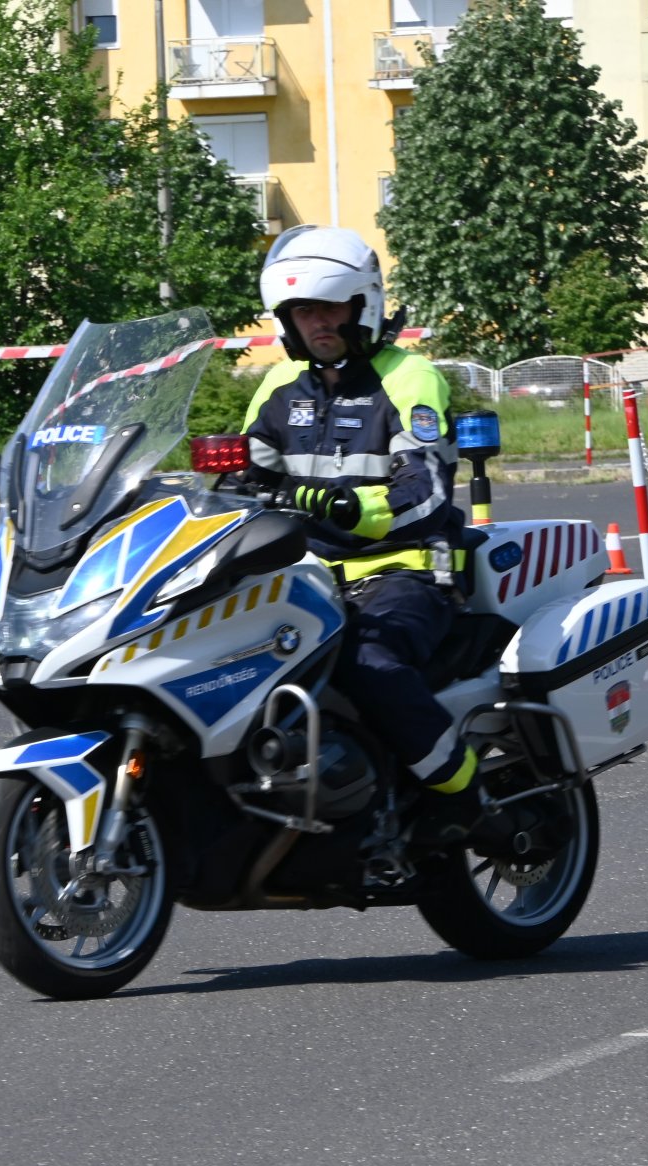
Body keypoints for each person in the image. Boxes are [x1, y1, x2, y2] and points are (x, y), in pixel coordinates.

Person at [237, 226, 479, 831]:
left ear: (362, 306)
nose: (316, 321)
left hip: (403, 571)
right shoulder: (276, 388)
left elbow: (425, 493)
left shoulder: (409, 378)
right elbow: (243, 482)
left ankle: (463, 796)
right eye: (302, 310)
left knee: (366, 661)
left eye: (329, 306)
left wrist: (352, 510)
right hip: (301, 577)